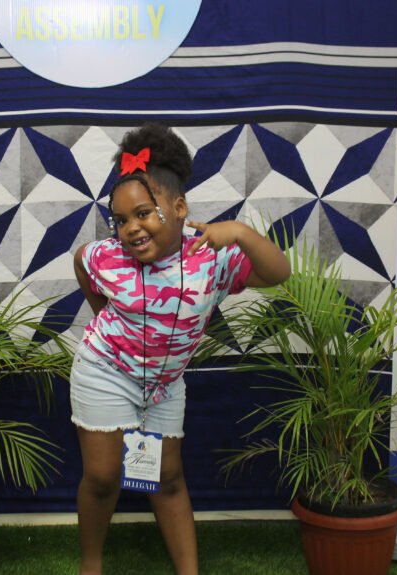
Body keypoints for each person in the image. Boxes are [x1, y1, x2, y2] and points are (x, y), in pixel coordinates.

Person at [71, 124, 291, 575]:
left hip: (165, 386)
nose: (132, 228)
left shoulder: (211, 257)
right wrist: (103, 318)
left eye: (145, 213)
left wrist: (240, 233)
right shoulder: (108, 255)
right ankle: (90, 564)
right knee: (102, 476)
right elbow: (81, 261)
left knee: (167, 478)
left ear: (178, 206)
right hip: (105, 370)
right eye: (122, 218)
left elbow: (278, 272)